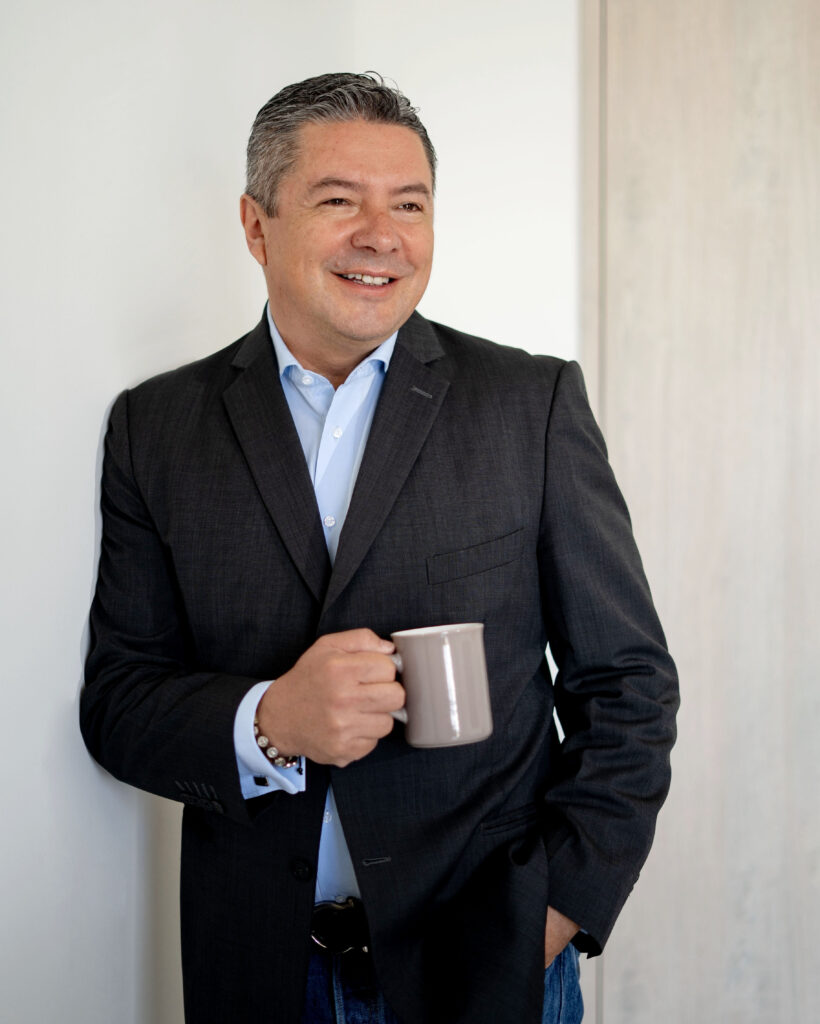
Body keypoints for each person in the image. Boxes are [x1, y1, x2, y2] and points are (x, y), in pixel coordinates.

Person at [80, 72, 678, 1024]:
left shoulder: (531, 406)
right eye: (338, 201)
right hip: (258, 972)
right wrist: (270, 720)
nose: (382, 235)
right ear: (256, 225)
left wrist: (555, 910)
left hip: (488, 962)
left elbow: (628, 686)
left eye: (409, 204)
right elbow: (119, 703)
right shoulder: (155, 429)